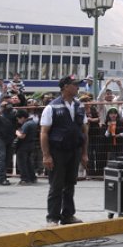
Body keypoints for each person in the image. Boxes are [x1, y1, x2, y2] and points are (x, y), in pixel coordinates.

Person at [40, 75, 89, 226]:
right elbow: (44, 133)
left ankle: (68, 215)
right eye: (75, 85)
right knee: (56, 185)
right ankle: (53, 217)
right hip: (58, 152)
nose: (78, 87)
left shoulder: (79, 106)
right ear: (65, 87)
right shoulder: (52, 107)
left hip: (74, 150)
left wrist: (84, 153)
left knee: (70, 184)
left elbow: (84, 130)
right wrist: (46, 156)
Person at [0, 95, 17, 186]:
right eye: (5, 101)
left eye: (9, 101)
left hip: (9, 137)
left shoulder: (13, 112)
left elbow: (17, 121)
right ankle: (2, 178)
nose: (7, 103)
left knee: (7, 158)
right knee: (1, 157)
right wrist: (1, 108)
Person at [15, 109, 39, 184]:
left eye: (18, 119)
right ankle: (32, 177)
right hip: (31, 144)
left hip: (24, 145)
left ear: (22, 117)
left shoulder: (26, 124)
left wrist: (17, 132)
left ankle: (25, 179)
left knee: (22, 163)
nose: (18, 121)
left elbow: (22, 136)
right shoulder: (33, 123)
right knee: (29, 162)